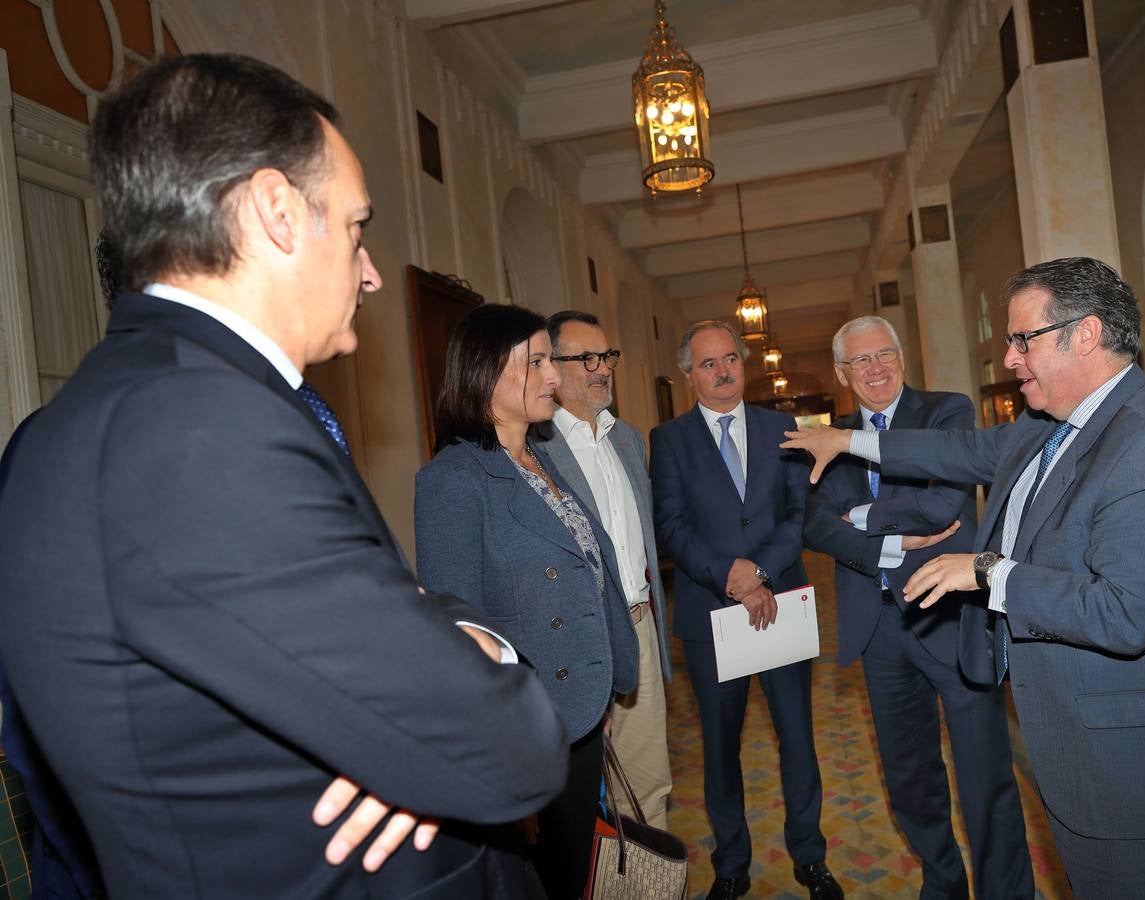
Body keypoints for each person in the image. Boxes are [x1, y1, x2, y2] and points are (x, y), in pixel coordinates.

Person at [0, 53, 569, 899]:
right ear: (275, 210)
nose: (370, 270)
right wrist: (458, 699)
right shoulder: (198, 432)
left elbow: (371, 616)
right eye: (355, 228)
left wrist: (457, 653)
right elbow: (513, 748)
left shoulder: (134, 409)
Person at [783, 258, 1145, 899]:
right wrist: (847, 442)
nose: (1009, 358)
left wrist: (987, 572)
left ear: (1084, 335)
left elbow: (1124, 613)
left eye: (1022, 340)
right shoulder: (1053, 424)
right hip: (1086, 750)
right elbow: (957, 452)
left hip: (1142, 771)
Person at [803, 314, 1033, 900]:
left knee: (985, 778)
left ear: (901, 356)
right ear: (841, 372)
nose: (876, 368)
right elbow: (814, 526)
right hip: (878, 629)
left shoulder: (946, 413)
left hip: (951, 619)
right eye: (861, 361)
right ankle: (945, 883)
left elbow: (942, 510)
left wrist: (859, 516)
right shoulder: (831, 439)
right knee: (908, 780)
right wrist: (885, 535)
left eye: (884, 354)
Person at [414, 303, 639, 900]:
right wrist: (502, 747)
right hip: (528, 723)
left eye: (549, 360)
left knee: (575, 866)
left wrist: (601, 679)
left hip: (580, 705)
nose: (553, 377)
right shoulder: (456, 478)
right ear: (487, 371)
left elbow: (587, 574)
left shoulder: (539, 460)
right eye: (536, 362)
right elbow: (457, 628)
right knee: (550, 877)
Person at [649, 321, 842, 900]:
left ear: (744, 363)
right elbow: (670, 526)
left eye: (731, 359)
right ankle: (731, 864)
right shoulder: (669, 439)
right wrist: (729, 575)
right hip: (712, 616)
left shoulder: (781, 427)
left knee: (798, 739)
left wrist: (757, 572)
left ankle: (810, 856)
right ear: (688, 374)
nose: (723, 371)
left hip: (780, 600)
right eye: (708, 364)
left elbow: (797, 513)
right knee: (721, 747)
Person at [536, 310, 674, 829]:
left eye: (607, 357)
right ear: (552, 366)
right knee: (587, 801)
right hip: (582, 637)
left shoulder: (627, 440)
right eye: (586, 358)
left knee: (648, 785)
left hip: (637, 627)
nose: (602, 369)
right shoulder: (536, 449)